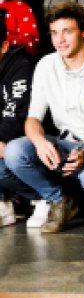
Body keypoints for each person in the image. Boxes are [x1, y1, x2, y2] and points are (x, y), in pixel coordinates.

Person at [2, 2, 84, 233]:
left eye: (67, 31)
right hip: (64, 144)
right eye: (54, 33)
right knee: (15, 151)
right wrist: (40, 142)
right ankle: (59, 200)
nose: (60, 40)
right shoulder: (46, 65)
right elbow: (33, 119)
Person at [0, 18, 34, 226]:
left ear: (4, 46)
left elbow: (16, 117)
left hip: (24, 144)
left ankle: (45, 197)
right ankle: (4, 204)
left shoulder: (20, 67)